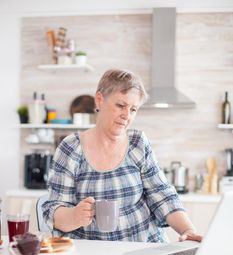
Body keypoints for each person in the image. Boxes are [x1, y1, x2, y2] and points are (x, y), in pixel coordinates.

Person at [42, 69, 202, 242]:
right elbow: (54, 210)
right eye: (121, 105)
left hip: (144, 247)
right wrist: (74, 216)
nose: (127, 116)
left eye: (133, 109)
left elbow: (162, 195)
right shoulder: (71, 148)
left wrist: (188, 230)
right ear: (99, 100)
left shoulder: (138, 143)